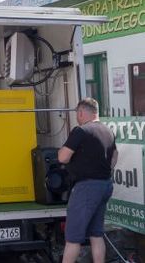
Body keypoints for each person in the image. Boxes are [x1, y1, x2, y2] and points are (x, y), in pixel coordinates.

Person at [58, 97, 118, 263]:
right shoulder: (108, 131)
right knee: (96, 234)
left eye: (77, 113)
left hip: (86, 188)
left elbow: (63, 157)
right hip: (105, 185)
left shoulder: (81, 131)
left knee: (73, 238)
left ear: (81, 112)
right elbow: (114, 156)